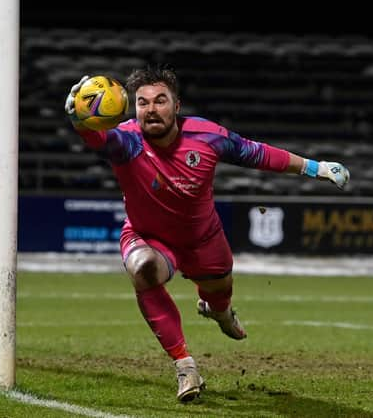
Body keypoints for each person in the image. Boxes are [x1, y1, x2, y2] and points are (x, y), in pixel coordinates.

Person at [64, 66, 350, 401]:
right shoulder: (126, 141)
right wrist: (78, 118)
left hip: (204, 241)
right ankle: (185, 366)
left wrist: (315, 168)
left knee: (218, 296)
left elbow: (257, 153)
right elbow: (97, 136)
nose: (151, 109)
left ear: (177, 105)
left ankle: (220, 312)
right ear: (134, 108)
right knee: (142, 270)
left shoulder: (208, 135)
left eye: (160, 101)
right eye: (142, 103)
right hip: (149, 238)